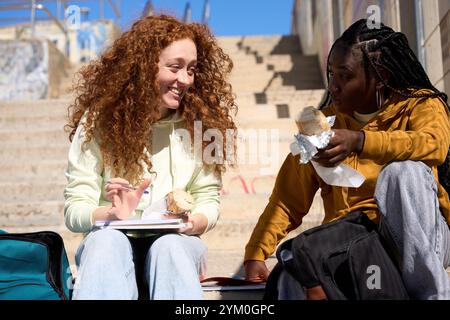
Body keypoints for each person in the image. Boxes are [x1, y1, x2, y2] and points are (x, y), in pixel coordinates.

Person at [244, 19, 450, 300]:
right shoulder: (323, 125)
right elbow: (287, 200)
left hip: (420, 237)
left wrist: (360, 141)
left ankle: (430, 294)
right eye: (331, 74)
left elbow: (434, 145)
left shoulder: (420, 104)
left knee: (403, 173)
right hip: (355, 244)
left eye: (345, 76)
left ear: (381, 76)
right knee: (291, 272)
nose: (333, 85)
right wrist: (256, 252)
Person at [64, 15, 237, 300]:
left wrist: (194, 221)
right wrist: (110, 215)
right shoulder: (97, 121)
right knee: (107, 241)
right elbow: (74, 209)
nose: (185, 80)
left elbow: (208, 197)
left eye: (191, 70)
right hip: (110, 243)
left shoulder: (201, 126)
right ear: (143, 68)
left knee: (169, 246)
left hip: (177, 243)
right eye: (175, 67)